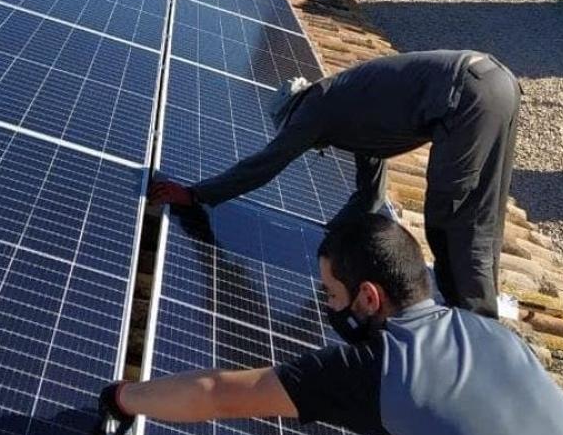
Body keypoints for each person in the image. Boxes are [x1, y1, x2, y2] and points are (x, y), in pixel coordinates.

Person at [99, 215, 563, 435]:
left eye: (332, 293)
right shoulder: (492, 334)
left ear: (368, 297)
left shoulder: (379, 368)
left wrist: (123, 397)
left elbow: (217, 392)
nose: (328, 307)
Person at [150, 50, 520, 318]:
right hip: (494, 80)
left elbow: (265, 164)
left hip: (465, 97)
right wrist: (336, 234)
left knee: (450, 213)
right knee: (482, 210)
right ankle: (475, 302)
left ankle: (475, 322)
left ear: (292, 113)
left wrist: (197, 194)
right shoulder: (351, 105)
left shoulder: (315, 108)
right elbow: (370, 192)